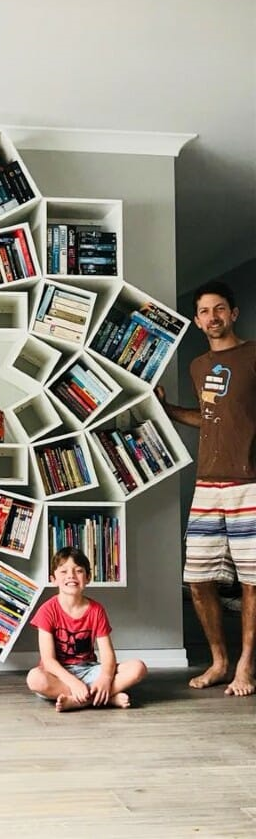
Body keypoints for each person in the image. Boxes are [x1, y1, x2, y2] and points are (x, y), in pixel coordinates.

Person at [155, 279, 256, 696]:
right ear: (196, 321)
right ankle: (219, 662)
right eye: (203, 311)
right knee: (197, 578)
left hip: (250, 483)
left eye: (219, 309)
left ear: (233, 313)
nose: (212, 317)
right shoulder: (199, 366)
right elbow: (211, 417)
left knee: (253, 579)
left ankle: (245, 666)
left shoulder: (253, 354)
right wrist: (168, 409)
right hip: (207, 483)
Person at [26, 546, 147, 712]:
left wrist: (105, 678)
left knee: (138, 668)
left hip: (89, 669)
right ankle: (105, 698)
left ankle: (80, 701)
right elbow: (49, 661)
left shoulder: (96, 610)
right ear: (53, 579)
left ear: (88, 578)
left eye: (78, 571)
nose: (71, 575)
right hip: (59, 674)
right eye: (64, 571)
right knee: (35, 679)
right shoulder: (47, 610)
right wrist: (73, 683)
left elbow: (107, 654)